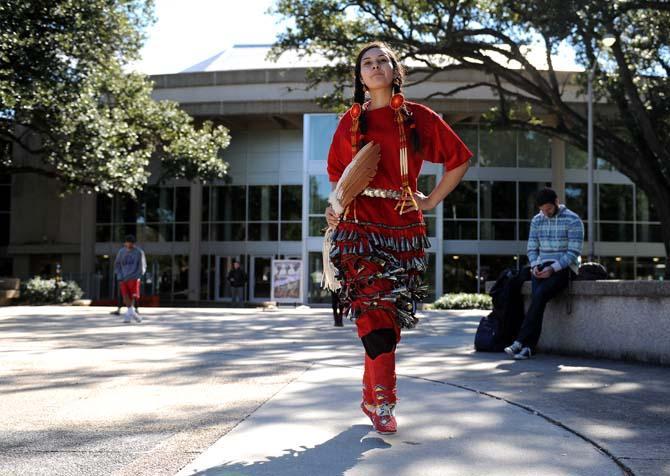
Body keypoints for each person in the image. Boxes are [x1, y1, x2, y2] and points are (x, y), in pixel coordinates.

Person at [325, 41, 471, 434]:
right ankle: (384, 403)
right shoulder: (349, 123)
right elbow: (338, 176)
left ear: (394, 70)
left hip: (404, 227)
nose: (374, 67)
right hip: (357, 227)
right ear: (360, 76)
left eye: (382, 61)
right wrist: (335, 206)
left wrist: (430, 201)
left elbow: (459, 159)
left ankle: (371, 394)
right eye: (366, 63)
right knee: (375, 319)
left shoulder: (417, 118)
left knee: (389, 321)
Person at [505, 188, 584, 359]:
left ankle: (521, 342)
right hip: (542, 266)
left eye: (548, 209)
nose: (545, 213)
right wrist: (534, 265)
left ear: (556, 202)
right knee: (538, 298)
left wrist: (553, 268)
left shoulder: (573, 220)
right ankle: (527, 348)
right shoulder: (537, 220)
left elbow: (573, 252)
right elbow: (532, 248)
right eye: (542, 210)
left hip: (565, 268)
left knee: (538, 295)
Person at [113, 234, 147, 323]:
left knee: (132, 297)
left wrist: (138, 275)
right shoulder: (121, 252)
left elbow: (142, 265)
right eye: (127, 243)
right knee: (125, 297)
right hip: (123, 277)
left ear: (134, 243)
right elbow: (117, 264)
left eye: (131, 243)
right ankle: (135, 315)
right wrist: (119, 275)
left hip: (134, 277)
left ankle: (128, 317)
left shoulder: (139, 252)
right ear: (125, 243)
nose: (129, 245)